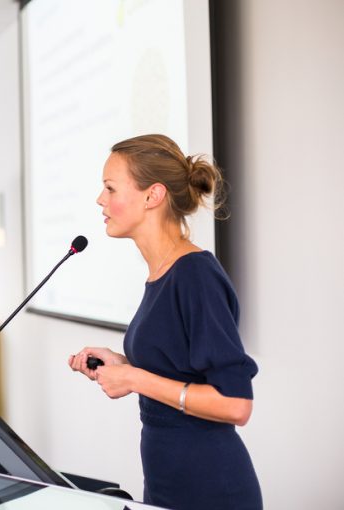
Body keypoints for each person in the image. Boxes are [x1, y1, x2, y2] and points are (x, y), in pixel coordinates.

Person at [68, 134, 262, 510]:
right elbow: (182, 369)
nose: (100, 200)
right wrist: (123, 364)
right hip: (167, 483)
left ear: (152, 196)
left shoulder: (195, 276)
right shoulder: (162, 272)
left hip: (210, 489)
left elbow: (236, 403)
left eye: (110, 188)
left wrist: (135, 379)